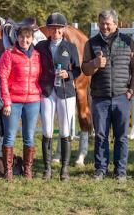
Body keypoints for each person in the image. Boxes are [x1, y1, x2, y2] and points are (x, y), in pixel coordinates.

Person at [82, 9, 134, 181]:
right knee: (100, 135)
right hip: (100, 98)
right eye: (102, 23)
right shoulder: (91, 43)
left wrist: (131, 91)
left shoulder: (127, 42)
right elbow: (85, 69)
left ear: (116, 24)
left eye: (108, 23)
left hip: (122, 97)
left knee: (121, 136)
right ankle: (101, 169)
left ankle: (120, 170)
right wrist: (95, 63)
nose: (105, 26)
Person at [35, 12, 81, 181]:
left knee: (65, 130)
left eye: (58, 28)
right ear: (48, 29)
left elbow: (78, 69)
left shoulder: (71, 47)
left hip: (65, 92)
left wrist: (67, 73)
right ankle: (47, 169)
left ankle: (64, 169)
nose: (55, 31)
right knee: (47, 130)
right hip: (47, 90)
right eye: (52, 28)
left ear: (63, 29)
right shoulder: (40, 46)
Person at [0, 26, 41, 181]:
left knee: (29, 136)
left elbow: (40, 76)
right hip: (13, 101)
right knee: (9, 136)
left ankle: (27, 170)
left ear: (32, 39)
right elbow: (2, 78)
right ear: (17, 38)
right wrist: (6, 102)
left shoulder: (37, 55)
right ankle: (8, 170)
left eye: (28, 37)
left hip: (33, 101)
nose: (25, 40)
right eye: (22, 37)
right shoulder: (9, 54)